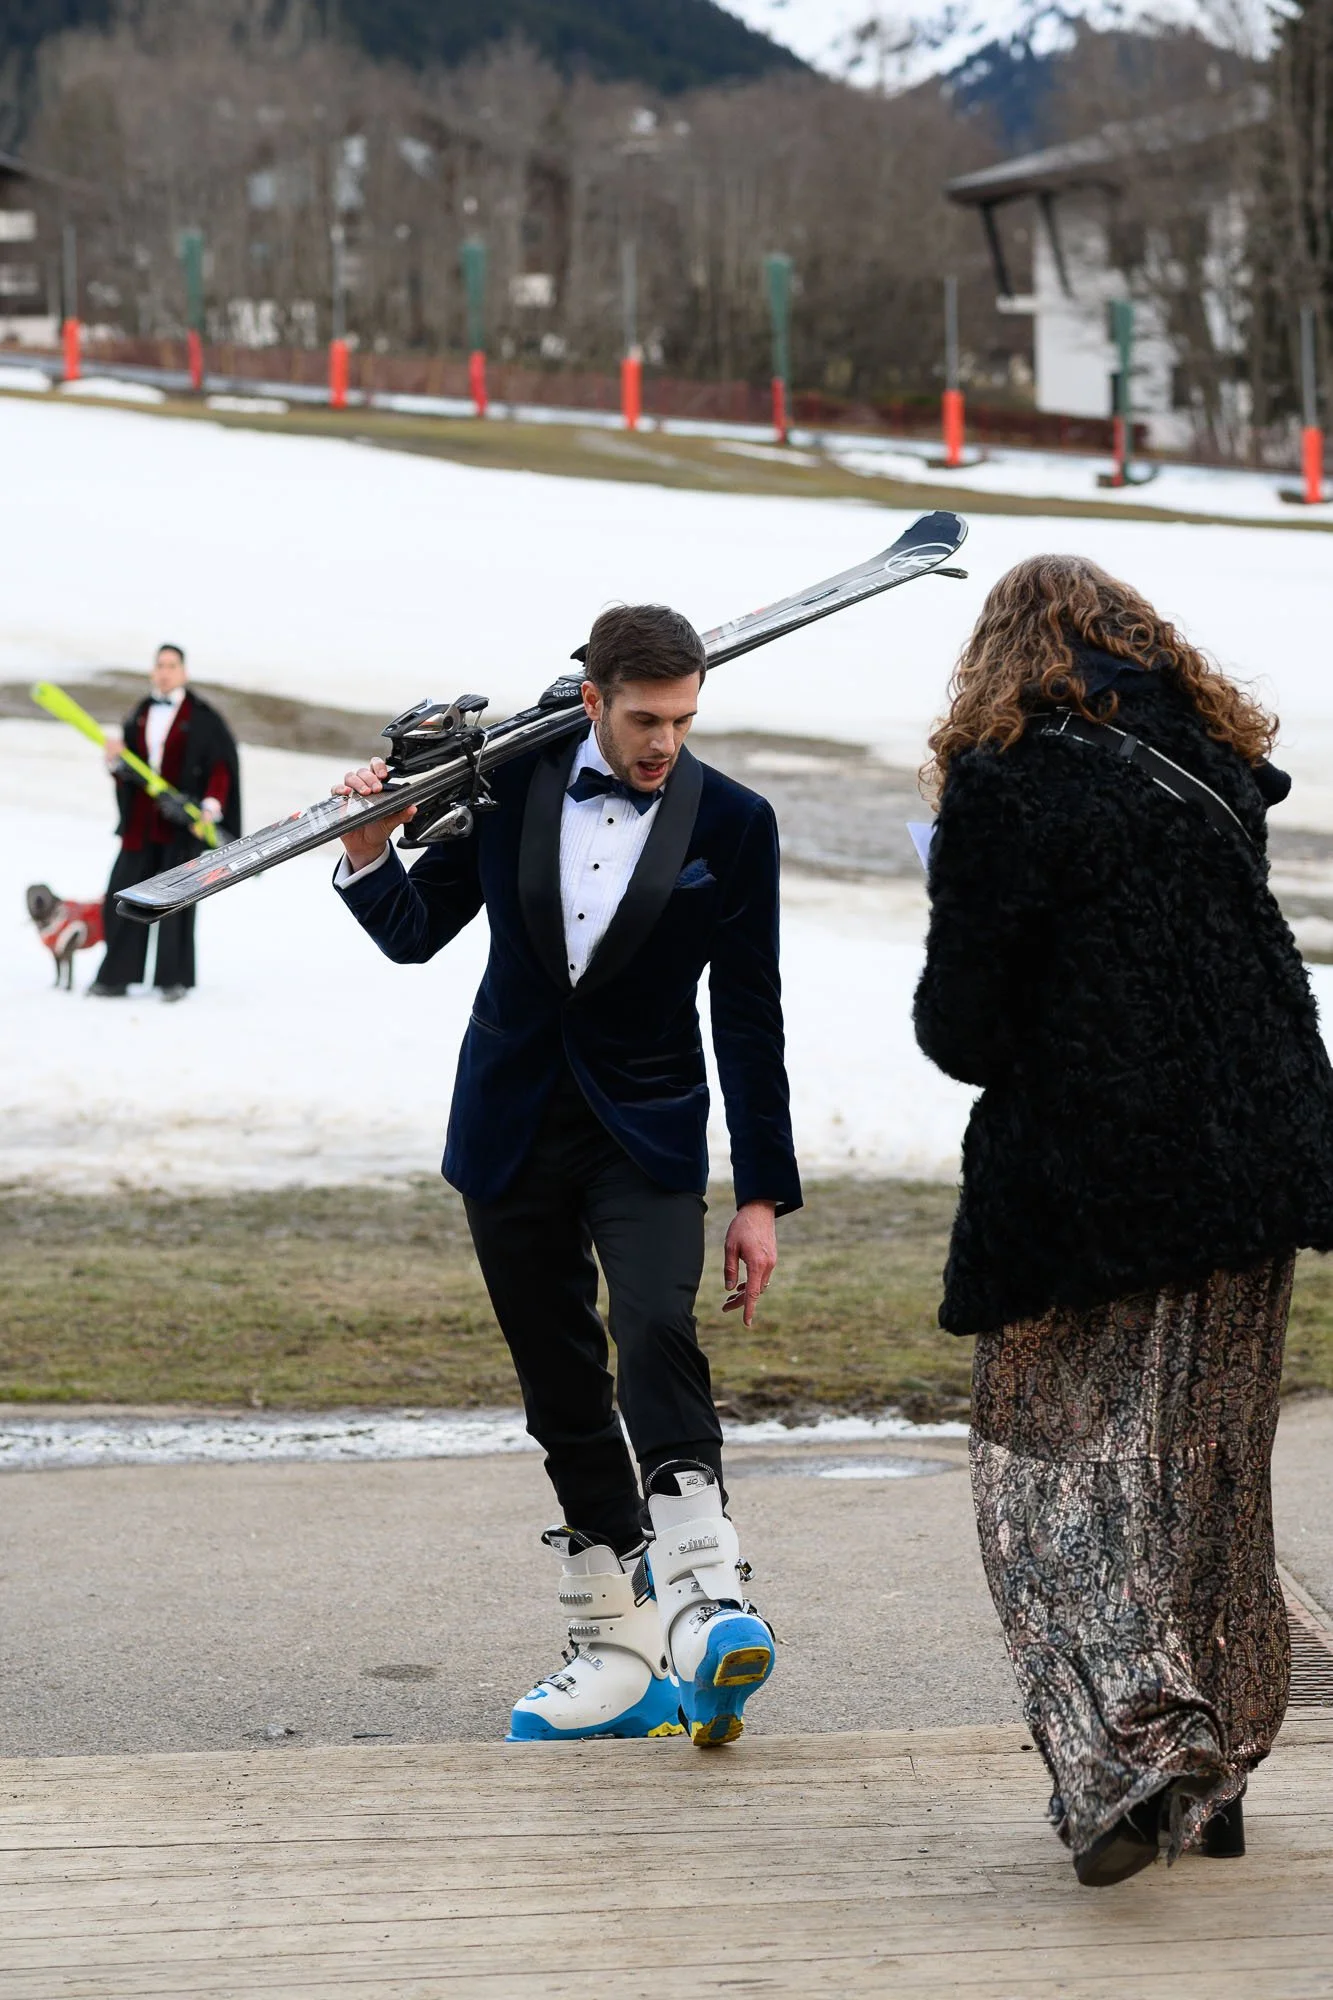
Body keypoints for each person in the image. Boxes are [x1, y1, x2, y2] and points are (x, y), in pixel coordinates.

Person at [913, 554, 1333, 1887]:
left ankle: (1135, 1764)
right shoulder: (1211, 763)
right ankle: (1219, 1781)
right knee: (1211, 1471)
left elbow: (962, 1029)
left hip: (1092, 1183)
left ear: (1004, 658)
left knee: (1047, 1478)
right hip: (1259, 1165)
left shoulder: (1007, 778)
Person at [333, 604, 801, 1748]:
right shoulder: (512, 778)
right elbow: (413, 931)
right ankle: (618, 1648)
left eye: (684, 719)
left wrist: (757, 1194)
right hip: (508, 1126)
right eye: (644, 718)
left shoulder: (734, 821)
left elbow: (749, 1013)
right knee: (559, 1385)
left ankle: (705, 1596)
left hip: (644, 1131)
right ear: (591, 698)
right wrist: (365, 853)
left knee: (654, 1329)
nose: (663, 744)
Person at [90, 644, 241, 1001]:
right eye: (160, 665)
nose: (165, 672)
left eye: (172, 666)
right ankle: (116, 977)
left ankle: (172, 979)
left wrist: (209, 807)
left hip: (180, 826)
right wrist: (114, 763)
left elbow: (221, 767)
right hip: (141, 826)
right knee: (123, 895)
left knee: (175, 901)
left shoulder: (204, 717)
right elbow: (128, 768)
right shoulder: (139, 713)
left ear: (183, 672)